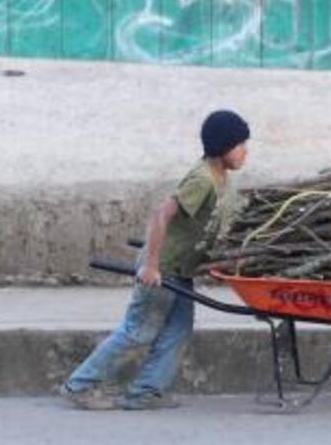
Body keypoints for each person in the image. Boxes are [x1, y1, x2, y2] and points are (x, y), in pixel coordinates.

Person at [60, 109, 250, 410]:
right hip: (162, 268)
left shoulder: (221, 179)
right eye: (240, 144)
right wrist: (150, 265)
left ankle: (145, 391)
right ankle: (80, 384)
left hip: (180, 269)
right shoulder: (202, 179)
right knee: (138, 331)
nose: (245, 152)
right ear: (223, 145)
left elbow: (205, 228)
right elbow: (161, 216)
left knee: (178, 330)